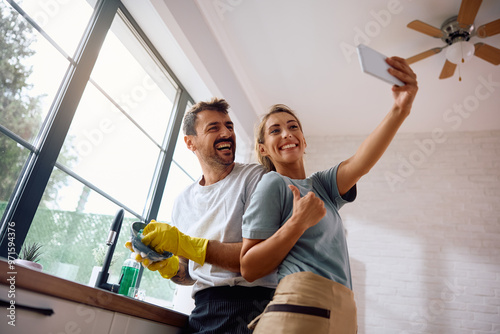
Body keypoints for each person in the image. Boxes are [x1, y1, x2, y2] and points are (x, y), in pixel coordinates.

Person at [239, 56, 418, 333]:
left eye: (293, 126)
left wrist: (400, 109)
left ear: (304, 141)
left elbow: (361, 161)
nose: (287, 133)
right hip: (301, 303)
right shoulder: (272, 183)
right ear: (263, 149)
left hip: (344, 309)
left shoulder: (322, 185)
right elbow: (248, 267)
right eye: (275, 130)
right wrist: (297, 223)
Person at [127, 97, 277, 334]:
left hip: (251, 305)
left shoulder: (255, 177)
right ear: (190, 143)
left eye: (229, 126)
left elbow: (255, 257)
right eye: (213, 128)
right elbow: (188, 274)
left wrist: (183, 243)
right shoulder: (182, 201)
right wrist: (168, 266)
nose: (227, 133)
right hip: (202, 310)